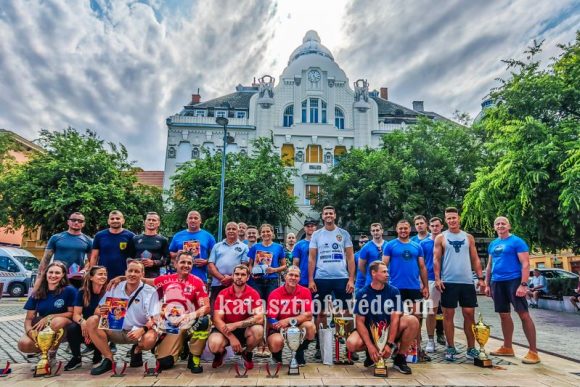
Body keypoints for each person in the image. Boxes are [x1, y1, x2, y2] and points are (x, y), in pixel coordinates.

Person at [346, 261, 419, 375]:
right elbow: (359, 322)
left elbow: (395, 319)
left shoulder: (394, 291)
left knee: (413, 321)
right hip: (370, 330)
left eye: (387, 271)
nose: (387, 274)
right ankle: (372, 354)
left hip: (389, 330)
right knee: (351, 343)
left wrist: (389, 344)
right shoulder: (362, 293)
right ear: (373, 273)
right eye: (384, 272)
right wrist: (370, 346)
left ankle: (399, 358)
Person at [485, 216, 540, 364]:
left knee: (523, 314)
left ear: (509, 226)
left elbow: (526, 264)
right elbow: (489, 265)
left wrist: (523, 284)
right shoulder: (493, 244)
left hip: (514, 281)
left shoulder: (517, 241)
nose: (500, 226)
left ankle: (533, 352)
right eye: (497, 224)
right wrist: (487, 283)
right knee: (503, 315)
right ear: (494, 227)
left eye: (503, 223)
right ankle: (507, 347)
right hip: (497, 282)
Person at [87, 260, 158, 375]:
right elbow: (96, 311)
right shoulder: (115, 287)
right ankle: (108, 359)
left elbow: (155, 318)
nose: (132, 274)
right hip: (115, 329)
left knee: (150, 339)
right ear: (125, 272)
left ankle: (137, 350)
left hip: (137, 332)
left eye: (137, 271)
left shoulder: (150, 291)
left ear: (142, 274)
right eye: (130, 271)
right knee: (91, 321)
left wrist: (143, 329)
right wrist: (101, 311)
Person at [433, 207, 485, 362]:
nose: (451, 221)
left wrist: (481, 278)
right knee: (448, 315)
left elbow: (475, 258)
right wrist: (437, 278)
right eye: (448, 218)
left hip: (467, 282)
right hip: (448, 281)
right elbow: (436, 259)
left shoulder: (468, 237)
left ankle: (471, 348)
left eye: (454, 218)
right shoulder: (441, 238)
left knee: (469, 314)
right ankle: (450, 346)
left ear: (459, 218)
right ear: (445, 220)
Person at [146, 251, 211, 373]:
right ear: (175, 264)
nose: (186, 265)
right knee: (165, 363)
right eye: (182, 262)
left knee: (204, 320)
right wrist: (122, 278)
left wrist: (188, 315)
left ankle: (194, 357)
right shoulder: (165, 279)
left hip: (190, 322)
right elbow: (143, 281)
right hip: (172, 325)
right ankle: (181, 347)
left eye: (189, 263)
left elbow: (206, 307)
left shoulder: (197, 282)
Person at [383, 219, 429, 361]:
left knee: (417, 318)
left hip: (414, 287)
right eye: (400, 228)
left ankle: (417, 349)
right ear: (397, 229)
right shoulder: (390, 245)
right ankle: (395, 347)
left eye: (405, 228)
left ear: (410, 230)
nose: (403, 231)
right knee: (396, 319)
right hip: (395, 288)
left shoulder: (417, 246)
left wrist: (425, 285)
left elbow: (422, 267)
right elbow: (383, 265)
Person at [208, 265, 264, 369]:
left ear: (247, 278)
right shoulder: (223, 293)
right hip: (225, 329)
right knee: (214, 345)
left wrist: (236, 325)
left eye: (243, 275)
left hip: (244, 329)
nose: (239, 277)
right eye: (237, 274)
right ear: (232, 276)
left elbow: (260, 317)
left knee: (258, 330)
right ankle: (220, 354)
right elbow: (216, 319)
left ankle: (247, 353)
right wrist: (231, 337)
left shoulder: (253, 293)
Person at [18, 262, 76, 362]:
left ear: (63, 275)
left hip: (66, 326)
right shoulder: (37, 292)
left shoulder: (69, 290)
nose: (53, 275)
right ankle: (43, 354)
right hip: (43, 327)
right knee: (24, 344)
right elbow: (29, 319)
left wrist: (50, 316)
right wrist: (30, 332)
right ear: (46, 274)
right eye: (51, 272)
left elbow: (72, 313)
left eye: (57, 273)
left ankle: (51, 357)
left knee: (57, 321)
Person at [248, 223, 286, 357]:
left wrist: (274, 270)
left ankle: (269, 343)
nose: (265, 234)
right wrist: (251, 272)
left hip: (272, 280)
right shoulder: (255, 247)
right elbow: (250, 264)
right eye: (263, 232)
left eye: (268, 231)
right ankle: (260, 343)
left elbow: (284, 265)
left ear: (272, 233)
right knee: (258, 311)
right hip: (256, 281)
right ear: (260, 234)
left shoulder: (278, 247)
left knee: (271, 311)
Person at [266, 266, 315, 365]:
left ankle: (298, 352)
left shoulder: (305, 291)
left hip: (296, 326)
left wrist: (289, 321)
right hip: (278, 328)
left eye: (296, 276)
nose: (293, 278)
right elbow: (271, 319)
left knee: (310, 327)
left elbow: (308, 315)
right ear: (285, 276)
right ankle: (277, 357)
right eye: (291, 275)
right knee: (276, 342)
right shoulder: (275, 293)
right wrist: (282, 328)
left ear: (299, 278)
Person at [34, 212, 92, 290]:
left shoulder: (88, 240)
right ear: (68, 222)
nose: (76, 222)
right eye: (73, 220)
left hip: (77, 279)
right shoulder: (56, 237)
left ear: (83, 224)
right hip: (57, 276)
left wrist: (84, 270)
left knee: (73, 301)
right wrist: (40, 277)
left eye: (80, 221)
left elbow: (91, 261)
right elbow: (45, 260)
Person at [65, 266, 108, 370]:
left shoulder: (109, 292)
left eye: (105, 274)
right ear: (91, 277)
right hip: (85, 326)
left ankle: (98, 356)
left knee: (103, 325)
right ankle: (76, 358)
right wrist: (83, 322)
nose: (103, 276)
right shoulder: (82, 292)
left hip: (101, 324)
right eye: (100, 274)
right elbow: (76, 314)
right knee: (72, 328)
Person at [208, 222, 250, 308]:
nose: (231, 231)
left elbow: (244, 266)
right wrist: (222, 278)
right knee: (215, 310)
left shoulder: (244, 247)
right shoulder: (217, 246)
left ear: (238, 231)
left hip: (235, 284)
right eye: (229, 229)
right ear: (225, 231)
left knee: (233, 310)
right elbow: (211, 265)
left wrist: (231, 278)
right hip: (217, 283)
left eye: (234, 229)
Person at [169, 211, 216, 285]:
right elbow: (169, 254)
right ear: (187, 220)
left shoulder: (208, 236)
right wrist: (177, 254)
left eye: (196, 218)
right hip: (180, 277)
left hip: (200, 276)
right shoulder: (177, 236)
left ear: (200, 221)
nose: (193, 220)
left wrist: (206, 261)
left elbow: (215, 255)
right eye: (190, 218)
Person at [419, 217, 444, 353]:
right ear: (429, 227)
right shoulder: (423, 244)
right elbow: (420, 265)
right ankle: (430, 339)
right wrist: (421, 283)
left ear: (441, 227)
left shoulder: (447, 241)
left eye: (437, 226)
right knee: (430, 311)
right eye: (432, 226)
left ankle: (448, 341)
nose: (435, 228)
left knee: (447, 312)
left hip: (446, 279)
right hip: (429, 280)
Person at [87, 210, 135, 280]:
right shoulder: (99, 235)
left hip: (123, 275)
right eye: (112, 219)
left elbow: (133, 258)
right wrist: (91, 273)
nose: (115, 220)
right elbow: (94, 256)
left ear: (123, 220)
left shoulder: (131, 236)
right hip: (103, 275)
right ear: (108, 221)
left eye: (118, 218)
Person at [129, 212, 169, 278]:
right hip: (136, 275)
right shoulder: (135, 239)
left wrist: (154, 263)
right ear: (145, 222)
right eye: (149, 220)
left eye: (154, 220)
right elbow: (129, 257)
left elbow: (168, 259)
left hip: (154, 276)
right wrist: (137, 262)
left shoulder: (163, 240)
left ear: (158, 223)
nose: (151, 222)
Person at [358, 224, 387, 291]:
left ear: (382, 231)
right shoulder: (366, 247)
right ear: (371, 232)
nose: (375, 232)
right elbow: (361, 266)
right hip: (371, 281)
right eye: (373, 231)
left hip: (386, 280)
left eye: (377, 230)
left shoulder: (388, 245)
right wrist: (369, 274)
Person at [292, 219, 318, 287]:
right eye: (308, 226)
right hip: (303, 280)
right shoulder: (298, 245)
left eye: (312, 226)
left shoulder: (321, 243)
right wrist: (295, 277)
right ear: (304, 228)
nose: (310, 228)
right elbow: (295, 264)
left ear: (315, 228)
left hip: (319, 278)